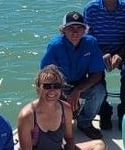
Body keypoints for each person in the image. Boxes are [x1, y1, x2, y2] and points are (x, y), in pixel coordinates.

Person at [17, 65, 107, 150]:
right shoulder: (27, 115)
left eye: (56, 86)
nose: (52, 90)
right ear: (38, 87)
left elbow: (69, 138)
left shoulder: (65, 108)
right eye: (47, 86)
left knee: (99, 146)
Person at [40, 11, 106, 140]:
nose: (75, 32)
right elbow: (45, 75)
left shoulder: (91, 42)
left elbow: (97, 74)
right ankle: (59, 123)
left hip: (80, 83)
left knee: (100, 91)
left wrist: (77, 91)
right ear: (63, 30)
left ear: (84, 30)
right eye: (71, 28)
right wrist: (63, 96)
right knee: (49, 94)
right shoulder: (55, 46)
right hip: (59, 85)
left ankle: (85, 123)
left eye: (79, 28)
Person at [83, 0, 125, 130]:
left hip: (122, 49)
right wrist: (100, 54)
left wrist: (120, 54)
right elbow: (87, 37)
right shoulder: (90, 9)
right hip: (97, 50)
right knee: (97, 75)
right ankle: (104, 110)